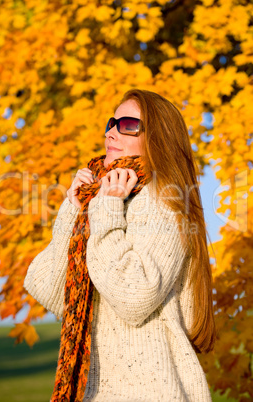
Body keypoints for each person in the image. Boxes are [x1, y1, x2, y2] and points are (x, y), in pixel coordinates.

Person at [24, 89, 216, 402]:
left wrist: (105, 211)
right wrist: (74, 208)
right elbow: (47, 288)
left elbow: (134, 298)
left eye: (128, 124)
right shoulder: (108, 200)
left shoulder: (162, 202)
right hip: (101, 389)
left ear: (157, 138)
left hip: (150, 390)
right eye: (112, 122)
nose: (112, 131)